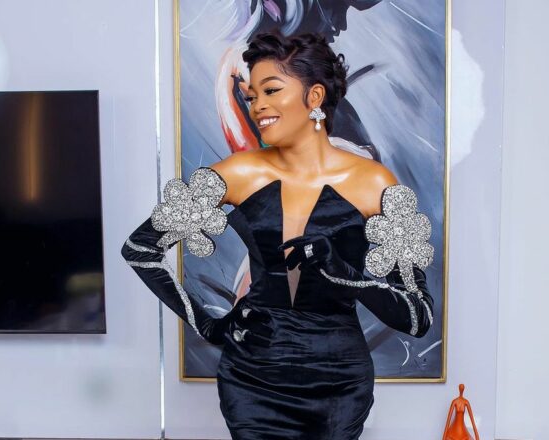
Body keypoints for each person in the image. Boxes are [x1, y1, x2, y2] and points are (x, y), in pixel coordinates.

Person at [122, 31, 435, 440]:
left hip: (338, 386)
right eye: (252, 96)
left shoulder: (373, 183)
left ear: (315, 95)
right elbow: (140, 249)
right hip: (252, 380)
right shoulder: (237, 174)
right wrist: (210, 325)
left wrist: (342, 272)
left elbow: (417, 317)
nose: (257, 106)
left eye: (271, 90)